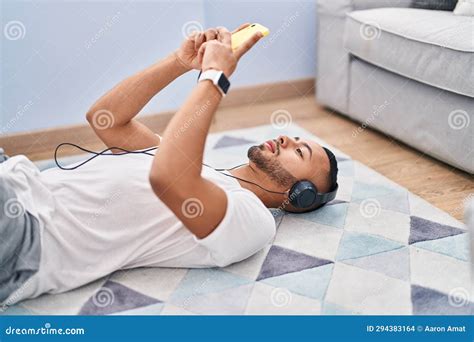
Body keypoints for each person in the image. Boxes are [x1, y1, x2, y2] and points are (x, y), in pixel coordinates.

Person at [0, 24, 338, 306]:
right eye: (295, 139)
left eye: (300, 152)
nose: (286, 140)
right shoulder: (192, 163)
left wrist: (216, 77)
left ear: (300, 195)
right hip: (15, 178)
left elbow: (168, 178)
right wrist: (181, 61)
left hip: (27, 238)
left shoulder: (252, 219)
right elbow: (106, 120)